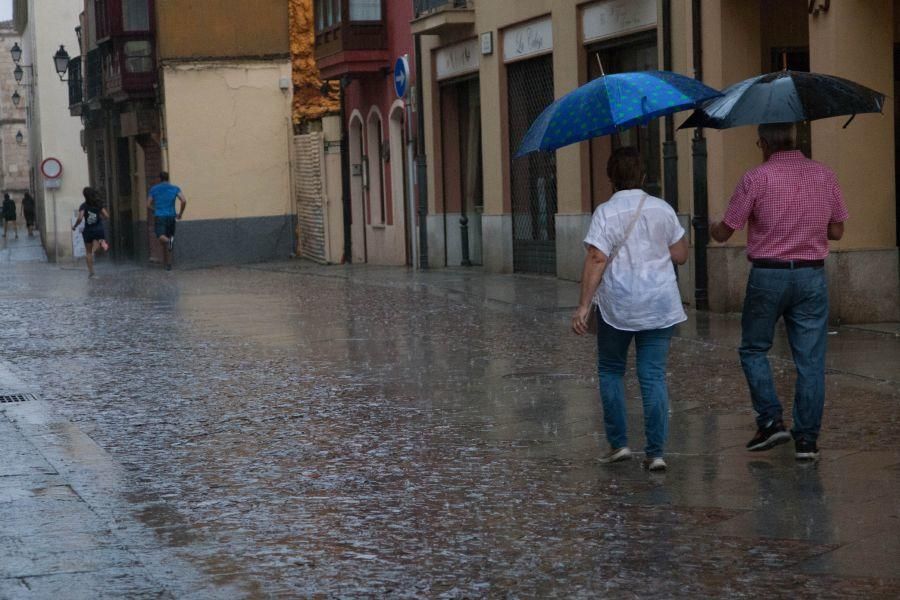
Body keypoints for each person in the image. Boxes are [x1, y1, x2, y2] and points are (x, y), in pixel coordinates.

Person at [710, 123, 848, 462]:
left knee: (754, 348)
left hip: (768, 275)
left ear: (762, 143)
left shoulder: (755, 178)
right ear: (795, 138)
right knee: (811, 362)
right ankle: (807, 441)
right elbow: (838, 230)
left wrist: (715, 225)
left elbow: (726, 232)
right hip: (811, 276)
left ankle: (771, 420)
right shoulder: (825, 175)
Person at [572, 147, 689, 472]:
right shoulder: (662, 208)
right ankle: (656, 453)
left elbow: (597, 258)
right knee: (652, 376)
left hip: (618, 305)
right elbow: (680, 255)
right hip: (658, 303)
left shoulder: (605, 212)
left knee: (611, 370)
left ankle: (620, 444)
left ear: (611, 177)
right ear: (642, 176)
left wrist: (583, 306)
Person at [148, 171, 187, 271]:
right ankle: (168, 264)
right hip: (171, 216)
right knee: (169, 240)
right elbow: (183, 200)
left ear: (159, 179)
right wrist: (180, 214)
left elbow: (148, 204)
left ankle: (169, 242)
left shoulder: (154, 189)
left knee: (161, 236)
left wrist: (154, 210)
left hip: (160, 216)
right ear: (168, 178)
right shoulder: (175, 188)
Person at [72, 187, 110, 278]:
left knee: (88, 252)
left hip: (88, 231)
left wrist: (75, 226)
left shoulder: (83, 206)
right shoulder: (98, 204)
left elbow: (80, 218)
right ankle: (100, 246)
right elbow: (107, 215)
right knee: (99, 245)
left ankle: (91, 272)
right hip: (98, 229)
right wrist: (101, 218)